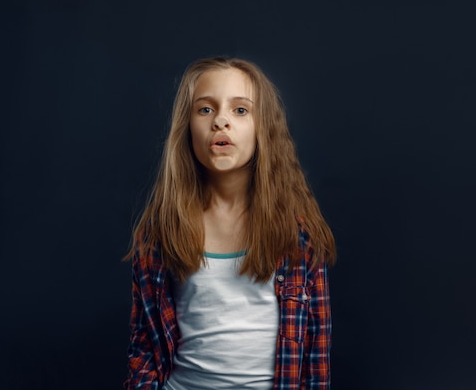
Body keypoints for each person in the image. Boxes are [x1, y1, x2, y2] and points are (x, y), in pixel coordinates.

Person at [123, 56, 336, 389]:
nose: (221, 120)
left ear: (262, 126)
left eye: (240, 110)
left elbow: (315, 358)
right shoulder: (161, 231)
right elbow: (145, 347)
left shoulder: (297, 235)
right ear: (187, 127)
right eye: (205, 109)